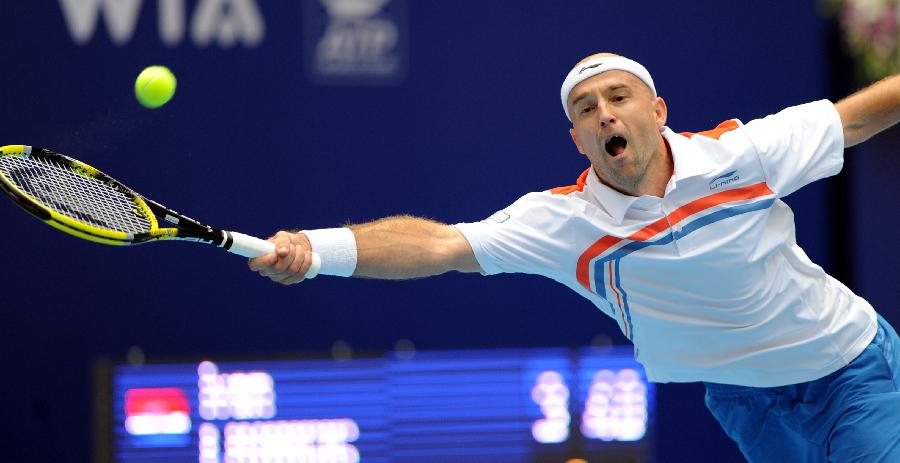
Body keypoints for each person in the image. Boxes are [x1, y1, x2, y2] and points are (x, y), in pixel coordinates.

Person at [249, 53, 900, 461]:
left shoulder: (743, 154)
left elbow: (858, 118)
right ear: (577, 138)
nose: (604, 113)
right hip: (744, 403)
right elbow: (443, 243)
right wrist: (316, 249)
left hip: (851, 369)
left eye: (618, 97)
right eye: (586, 109)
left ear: (657, 109)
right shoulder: (563, 220)